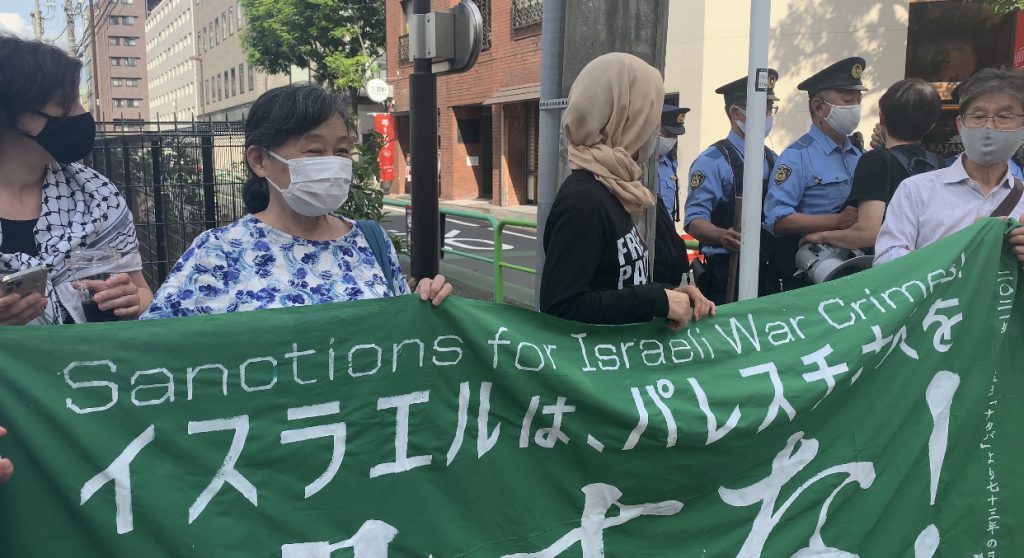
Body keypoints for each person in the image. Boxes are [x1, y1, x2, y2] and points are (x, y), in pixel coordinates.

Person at [141, 84, 450, 318]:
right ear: (260, 159)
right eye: (314, 151)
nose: (332, 162)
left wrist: (427, 306)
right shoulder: (217, 253)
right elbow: (157, 355)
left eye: (342, 151)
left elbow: (400, 335)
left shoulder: (371, 241)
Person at [540, 53, 714, 328]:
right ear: (623, 119)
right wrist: (655, 301)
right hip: (597, 367)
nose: (652, 132)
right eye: (648, 118)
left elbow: (617, 283)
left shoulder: (612, 188)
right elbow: (560, 307)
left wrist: (670, 295)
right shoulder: (583, 201)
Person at [0, 36, 151, 325]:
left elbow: (143, 293)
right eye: (64, 104)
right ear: (16, 115)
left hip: (93, 367)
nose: (82, 115)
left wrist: (132, 300)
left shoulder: (98, 196)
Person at [875, 68, 1024, 265]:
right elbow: (885, 260)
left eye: (1004, 116)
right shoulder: (915, 190)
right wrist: (959, 247)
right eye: (978, 117)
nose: (989, 126)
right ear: (960, 125)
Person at [763, 57, 867, 290]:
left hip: (858, 266)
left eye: (858, 101)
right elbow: (777, 219)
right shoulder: (797, 157)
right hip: (817, 271)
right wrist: (836, 221)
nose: (855, 109)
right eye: (848, 101)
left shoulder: (859, 153)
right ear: (819, 107)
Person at [804, 78, 943, 250]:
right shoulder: (940, 164)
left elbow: (867, 233)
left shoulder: (875, 161)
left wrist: (821, 236)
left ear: (882, 117)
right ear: (931, 125)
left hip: (891, 268)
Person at [684, 69, 780, 303]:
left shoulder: (773, 159)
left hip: (768, 271)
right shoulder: (712, 162)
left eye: (771, 109)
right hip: (727, 275)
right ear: (737, 113)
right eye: (762, 109)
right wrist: (721, 235)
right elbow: (694, 220)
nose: (768, 115)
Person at [657, 105, 690, 221]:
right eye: (667, 133)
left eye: (675, 136)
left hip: (666, 232)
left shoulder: (670, 163)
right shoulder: (637, 162)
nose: (671, 139)